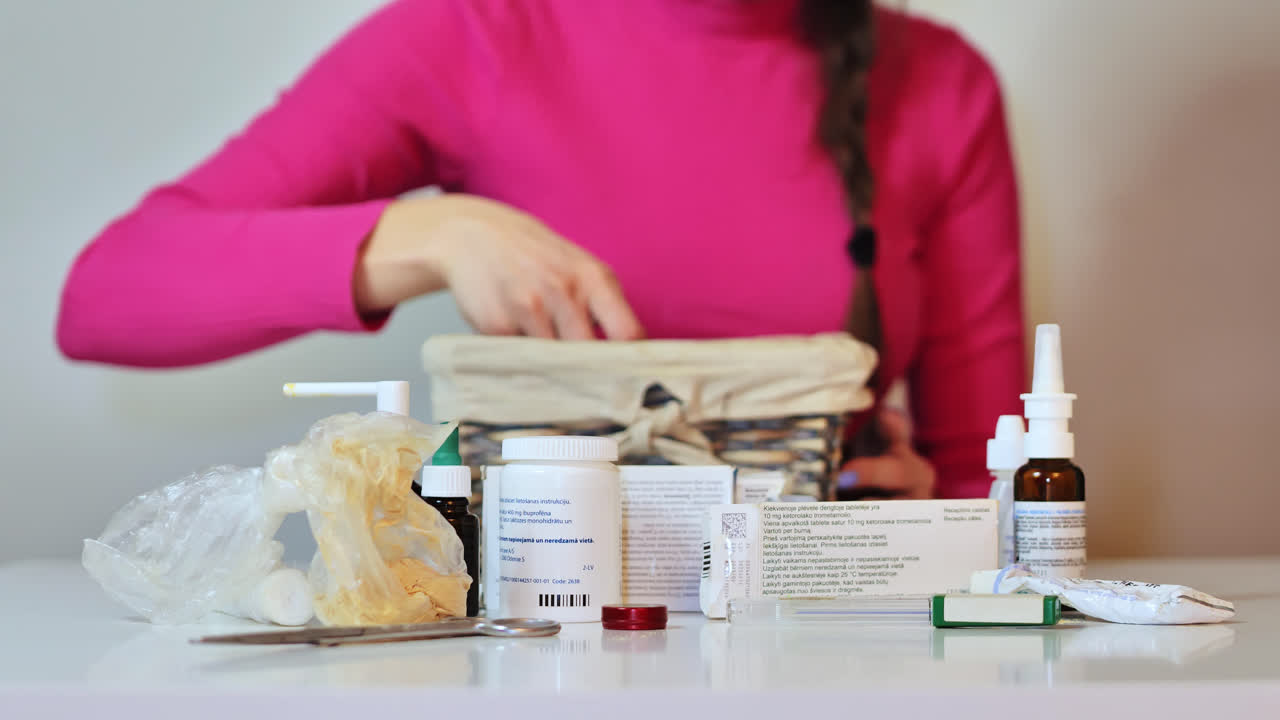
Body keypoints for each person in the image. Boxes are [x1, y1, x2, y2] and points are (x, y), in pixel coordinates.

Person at [56, 0, 1025, 500]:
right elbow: (106, 296)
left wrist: (927, 526)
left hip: (830, 652)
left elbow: (994, 482)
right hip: (550, 653)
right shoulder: (476, 35)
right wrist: (421, 233)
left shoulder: (940, 86)